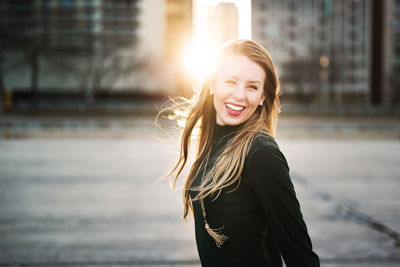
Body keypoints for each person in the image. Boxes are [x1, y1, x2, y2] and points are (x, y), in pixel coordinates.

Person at [164, 39, 320, 266]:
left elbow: (301, 255)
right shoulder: (213, 141)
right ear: (212, 84)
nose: (239, 95)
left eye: (252, 86)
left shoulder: (261, 156)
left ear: (262, 97)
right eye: (231, 81)